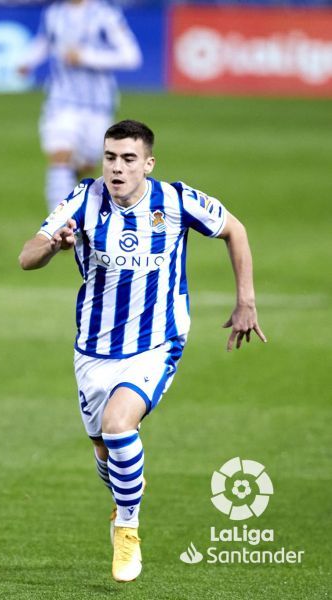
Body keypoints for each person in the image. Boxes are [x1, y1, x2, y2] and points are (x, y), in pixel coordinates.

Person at [18, 120, 266, 582]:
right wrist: (53, 245)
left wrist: (246, 300)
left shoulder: (174, 201)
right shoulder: (82, 198)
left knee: (118, 424)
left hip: (157, 342)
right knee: (106, 451)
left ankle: (127, 530)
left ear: (147, 164)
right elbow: (27, 255)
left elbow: (236, 230)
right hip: (93, 348)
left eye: (128, 159)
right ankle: (124, 497)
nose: (117, 167)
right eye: (110, 157)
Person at [18, 0, 141, 212]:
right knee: (60, 155)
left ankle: (68, 183)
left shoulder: (105, 15)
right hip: (61, 99)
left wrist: (85, 57)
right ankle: (58, 223)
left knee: (86, 165)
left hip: (98, 104)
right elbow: (44, 42)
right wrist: (26, 61)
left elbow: (131, 57)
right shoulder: (54, 13)